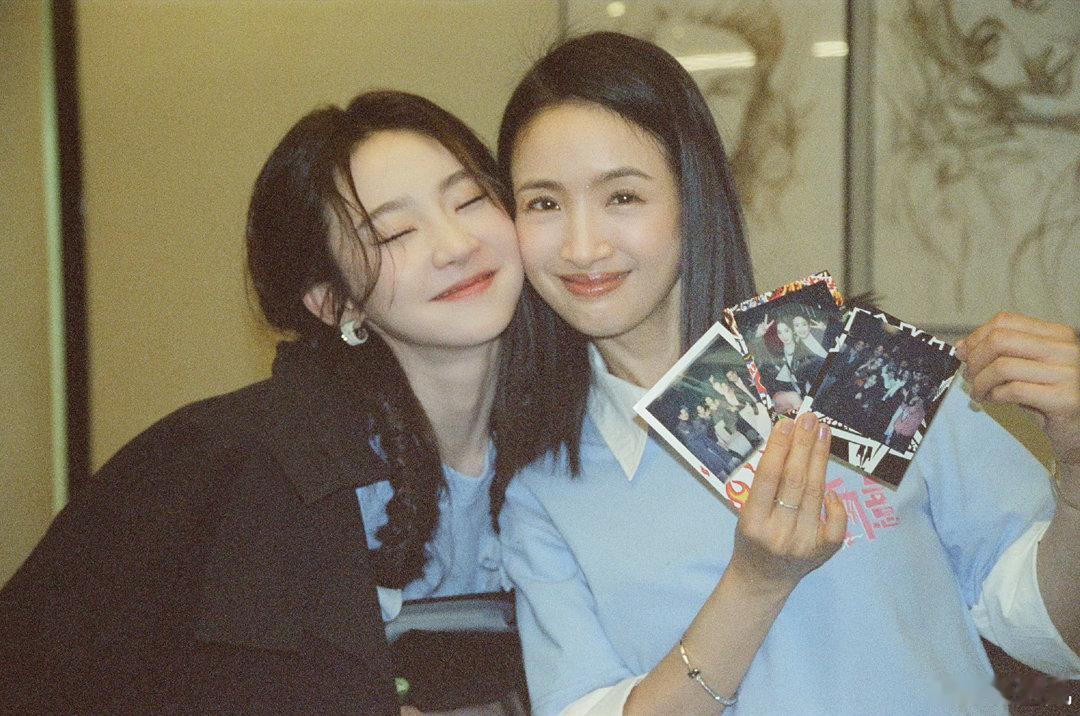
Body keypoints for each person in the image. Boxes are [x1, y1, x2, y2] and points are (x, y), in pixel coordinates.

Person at [495, 31, 1080, 714]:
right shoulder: (544, 491)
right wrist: (756, 583)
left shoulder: (854, 359)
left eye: (622, 197)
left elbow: (1049, 635)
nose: (582, 246)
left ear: (692, 197)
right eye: (543, 203)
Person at [0, 91, 541, 713]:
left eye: (469, 200)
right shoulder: (213, 464)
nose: (455, 244)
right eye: (394, 233)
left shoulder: (585, 439)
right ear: (333, 302)